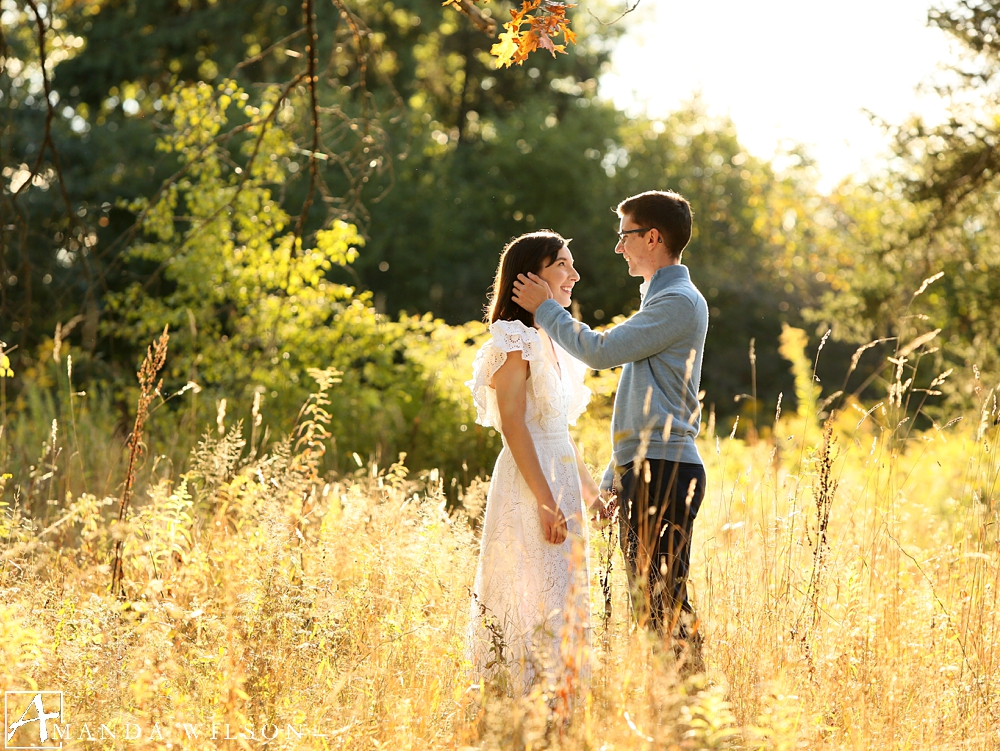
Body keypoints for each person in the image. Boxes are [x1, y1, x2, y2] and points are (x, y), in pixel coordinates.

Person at [512, 190, 709, 667]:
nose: (618, 247)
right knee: (651, 600)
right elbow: (644, 401)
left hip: (664, 469)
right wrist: (613, 475)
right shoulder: (660, 299)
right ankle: (675, 705)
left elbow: (599, 352)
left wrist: (546, 309)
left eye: (625, 236)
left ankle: (691, 712)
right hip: (646, 465)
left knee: (662, 602)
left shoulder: (678, 301)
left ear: (653, 237)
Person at [465, 230, 608, 697]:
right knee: (527, 594)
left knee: (561, 594)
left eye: (571, 264)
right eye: (562, 265)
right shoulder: (513, 340)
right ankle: (518, 702)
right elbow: (514, 426)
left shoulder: (557, 341)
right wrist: (547, 502)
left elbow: (558, 432)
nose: (574, 274)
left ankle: (559, 702)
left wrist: (591, 494)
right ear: (530, 277)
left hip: (561, 475)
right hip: (531, 484)